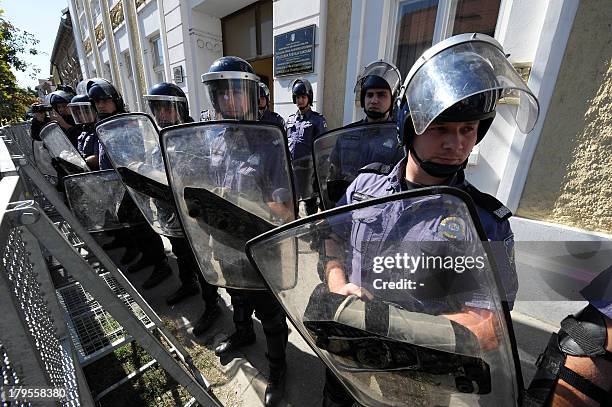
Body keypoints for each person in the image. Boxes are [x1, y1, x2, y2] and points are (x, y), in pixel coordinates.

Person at [319, 33, 540, 406]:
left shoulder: (485, 221)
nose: (457, 144)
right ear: (411, 125)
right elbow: (332, 243)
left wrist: (393, 329)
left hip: (417, 378)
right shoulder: (363, 186)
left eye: (467, 130)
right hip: (346, 352)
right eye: (441, 129)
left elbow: (489, 325)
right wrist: (338, 283)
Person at [199, 56, 291, 406]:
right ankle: (242, 335)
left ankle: (278, 367)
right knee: (236, 295)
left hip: (261, 246)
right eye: (221, 94)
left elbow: (284, 207)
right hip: (225, 241)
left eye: (235, 92)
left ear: (253, 95)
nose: (228, 101)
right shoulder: (217, 139)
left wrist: (248, 207)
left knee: (269, 311)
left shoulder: (270, 142)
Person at [142, 82, 221, 334]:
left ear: (179, 107)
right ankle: (188, 285)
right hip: (168, 213)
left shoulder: (193, 135)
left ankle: (212, 305)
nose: (161, 114)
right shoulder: (159, 137)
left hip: (192, 215)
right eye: (157, 109)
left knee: (201, 261)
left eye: (166, 109)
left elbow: (203, 176)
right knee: (181, 255)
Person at [87, 78, 172, 288]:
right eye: (97, 102)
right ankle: (147, 256)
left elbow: (136, 154)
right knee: (131, 227)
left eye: (105, 100)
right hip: (113, 184)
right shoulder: (101, 123)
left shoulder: (127, 122)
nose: (100, 105)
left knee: (143, 226)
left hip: (130, 184)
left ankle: (161, 264)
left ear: (115, 100)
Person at [323, 60, 404, 207]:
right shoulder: (346, 135)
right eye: (370, 95)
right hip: (343, 211)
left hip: (380, 215)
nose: (374, 100)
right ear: (363, 99)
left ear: (392, 100)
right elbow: (332, 175)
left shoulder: (401, 139)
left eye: (381, 95)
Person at [286, 78, 327, 216]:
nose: (300, 100)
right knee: (292, 202)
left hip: (309, 170)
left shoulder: (317, 120)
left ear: (309, 97)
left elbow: (322, 148)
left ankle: (311, 232)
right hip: (292, 170)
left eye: (303, 97)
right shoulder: (290, 119)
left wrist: (320, 173)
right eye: (297, 97)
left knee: (310, 205)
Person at [69, 92, 99, 170]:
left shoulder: (99, 130)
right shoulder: (84, 131)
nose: (82, 115)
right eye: (79, 113)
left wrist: (79, 163)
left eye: (86, 112)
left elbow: (97, 159)